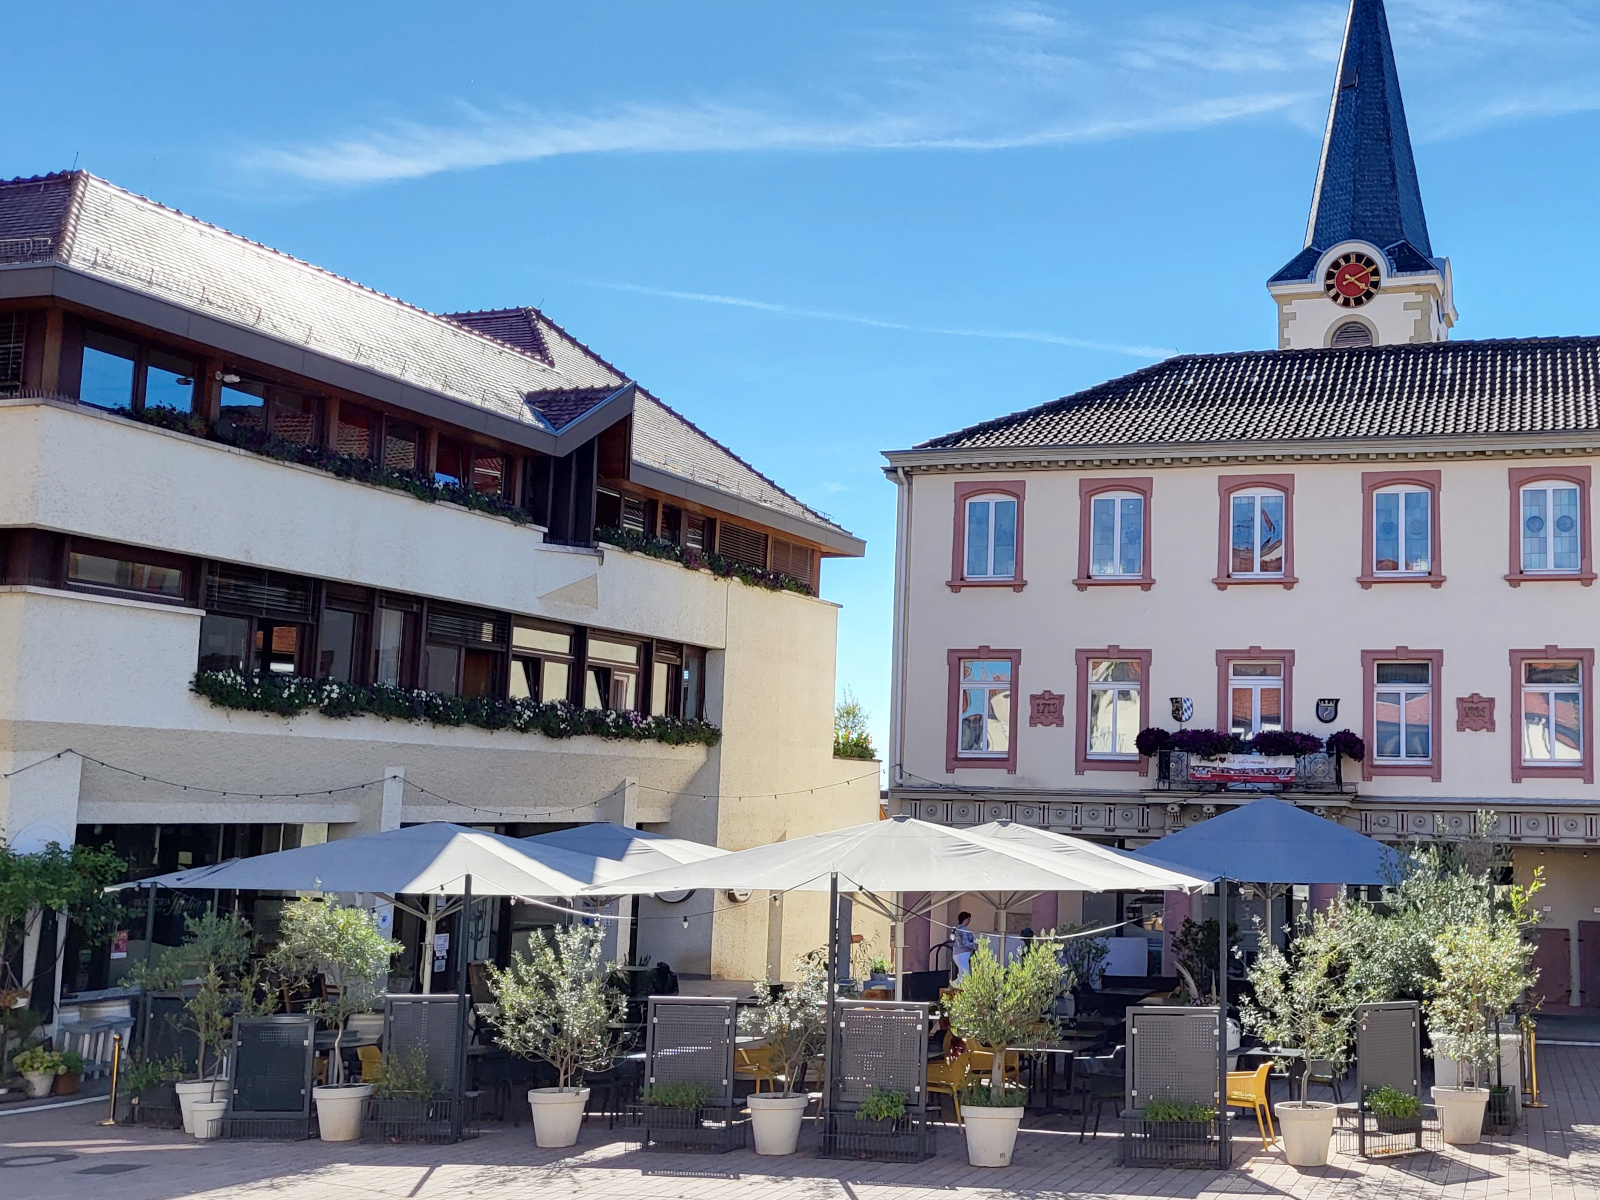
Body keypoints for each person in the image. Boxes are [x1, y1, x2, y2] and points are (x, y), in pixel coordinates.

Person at [950, 912, 976, 979]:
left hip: (957, 953)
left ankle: (954, 986)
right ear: (967, 919)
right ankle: (954, 986)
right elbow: (965, 942)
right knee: (965, 975)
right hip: (962, 953)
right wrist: (975, 945)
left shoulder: (957, 929)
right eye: (969, 919)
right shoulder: (963, 929)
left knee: (962, 974)